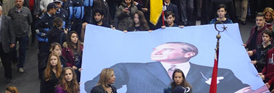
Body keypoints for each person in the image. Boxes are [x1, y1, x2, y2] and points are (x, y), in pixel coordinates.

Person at [84, 42, 249, 93]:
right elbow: (93, 85)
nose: (157, 50)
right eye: (156, 48)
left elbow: (244, 91)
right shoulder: (128, 68)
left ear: (189, 53)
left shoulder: (219, 73)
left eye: (167, 48)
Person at [8, 0, 32, 73]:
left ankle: (20, 65)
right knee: (12, 50)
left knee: (22, 51)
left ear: (22, 2)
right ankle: (14, 60)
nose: (18, 3)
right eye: (17, 1)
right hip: (14, 34)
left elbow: (30, 20)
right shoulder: (11, 11)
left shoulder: (26, 11)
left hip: (23, 34)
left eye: (20, 1)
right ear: (15, 2)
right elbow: (8, 22)